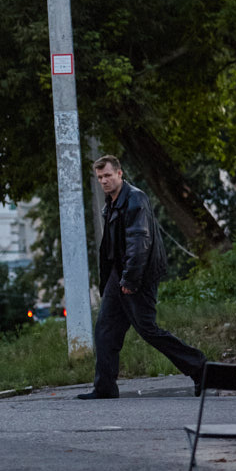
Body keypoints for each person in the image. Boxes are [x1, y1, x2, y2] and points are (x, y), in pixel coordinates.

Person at [77, 155, 206, 399]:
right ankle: (104, 387)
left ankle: (201, 368)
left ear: (119, 174)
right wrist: (117, 279)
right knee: (105, 329)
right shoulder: (111, 203)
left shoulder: (135, 198)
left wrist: (131, 279)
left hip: (138, 275)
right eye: (100, 177)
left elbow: (140, 242)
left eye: (107, 175)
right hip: (121, 275)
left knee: (148, 330)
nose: (104, 181)